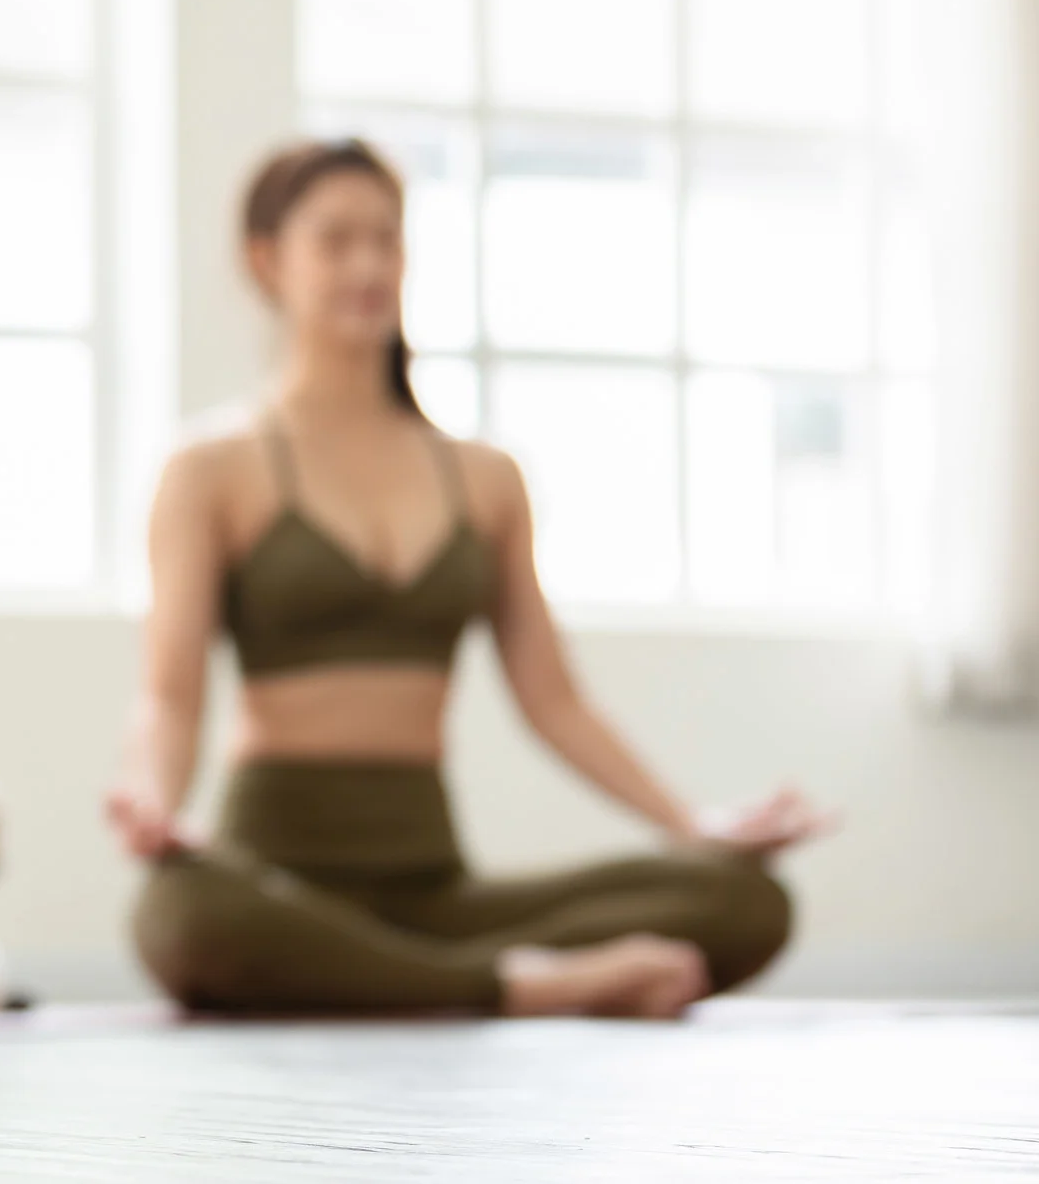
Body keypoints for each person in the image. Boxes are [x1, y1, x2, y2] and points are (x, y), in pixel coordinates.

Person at [107, 137, 837, 1018]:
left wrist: (694, 826)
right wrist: (154, 804)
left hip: (437, 887)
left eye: (388, 238)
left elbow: (554, 699)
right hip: (275, 879)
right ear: (268, 260)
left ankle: (426, 977)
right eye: (337, 240)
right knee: (183, 919)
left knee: (744, 899)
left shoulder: (484, 478)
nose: (370, 263)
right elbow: (171, 696)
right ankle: (521, 986)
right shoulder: (211, 469)